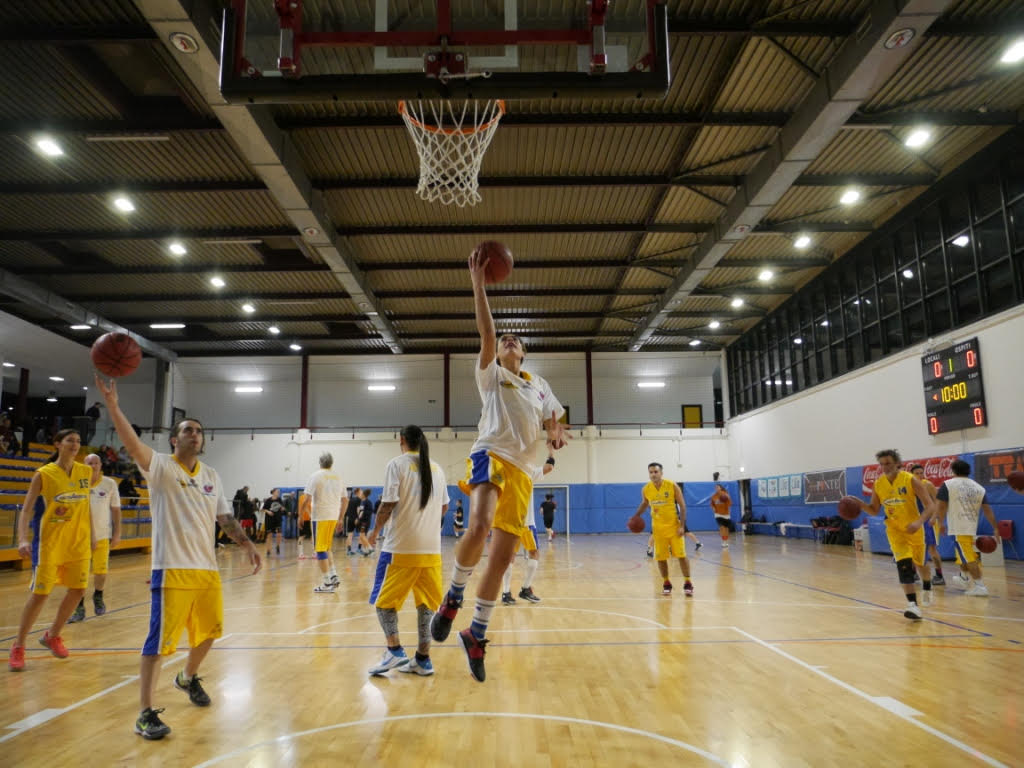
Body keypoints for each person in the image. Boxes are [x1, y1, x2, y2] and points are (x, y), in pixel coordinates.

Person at [94, 374, 260, 740]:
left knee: (210, 632)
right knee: (157, 643)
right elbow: (131, 443)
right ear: (174, 438)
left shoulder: (212, 475)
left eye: (199, 431)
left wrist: (247, 544)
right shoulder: (160, 467)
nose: (194, 434)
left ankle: (186, 677)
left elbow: (226, 519)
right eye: (187, 430)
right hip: (171, 571)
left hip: (207, 570)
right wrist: (114, 407)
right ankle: (144, 713)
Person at [430, 246, 570, 683]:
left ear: (524, 354)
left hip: (525, 471)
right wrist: (478, 284)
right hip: (490, 453)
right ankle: (453, 597)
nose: (509, 341)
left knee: (503, 558)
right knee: (479, 526)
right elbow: (487, 334)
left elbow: (558, 419)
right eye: (506, 340)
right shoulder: (492, 374)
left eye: (517, 340)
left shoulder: (539, 385)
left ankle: (477, 631)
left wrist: (557, 432)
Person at [366, 425, 449, 677]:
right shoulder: (437, 468)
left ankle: (394, 650)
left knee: (383, 603)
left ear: (401, 440)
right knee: (426, 605)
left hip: (400, 549)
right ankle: (423, 659)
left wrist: (374, 530)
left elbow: (388, 502)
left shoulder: (397, 464)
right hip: (431, 551)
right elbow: (444, 507)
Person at [8, 429, 91, 671]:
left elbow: (88, 508)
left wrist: (94, 536)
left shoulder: (86, 471)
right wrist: (23, 539)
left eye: (78, 440)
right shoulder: (44, 474)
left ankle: (53, 634)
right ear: (57, 444)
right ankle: (19, 645)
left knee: (78, 590)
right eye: (70, 440)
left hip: (79, 543)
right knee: (40, 595)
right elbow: (25, 510)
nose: (75, 444)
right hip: (50, 545)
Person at [852, 449, 935, 619]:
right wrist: (860, 504)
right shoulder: (878, 484)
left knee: (920, 565)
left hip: (914, 529)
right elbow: (874, 511)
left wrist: (919, 522)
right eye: (881, 464)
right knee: (903, 565)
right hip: (895, 531)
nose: (884, 467)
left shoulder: (910, 480)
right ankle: (912, 605)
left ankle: (927, 586)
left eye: (888, 463)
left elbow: (930, 506)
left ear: (897, 463)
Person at [68, 454, 122, 623]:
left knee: (101, 572)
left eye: (96, 462)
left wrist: (117, 533)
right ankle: (79, 607)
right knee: (78, 574)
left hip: (102, 535)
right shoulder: (76, 482)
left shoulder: (109, 483)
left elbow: (116, 510)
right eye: (89, 463)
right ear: (84, 465)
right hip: (79, 536)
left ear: (100, 464)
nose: (93, 465)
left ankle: (98, 596)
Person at [936, 459, 999, 596]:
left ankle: (980, 586)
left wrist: (940, 524)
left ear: (953, 470)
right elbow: (987, 510)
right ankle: (964, 578)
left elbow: (941, 507)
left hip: (958, 527)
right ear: (968, 471)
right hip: (970, 527)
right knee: (964, 555)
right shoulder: (979, 488)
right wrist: (995, 528)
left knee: (969, 557)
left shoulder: (948, 484)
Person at [501, 453, 554, 604]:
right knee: (534, 553)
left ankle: (506, 593)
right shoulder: (528, 473)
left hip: (509, 523)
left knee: (509, 558)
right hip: (526, 522)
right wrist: (550, 451)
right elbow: (549, 466)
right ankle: (525, 588)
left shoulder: (505, 473)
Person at [635, 463, 693, 597]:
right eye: (651, 472)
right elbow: (644, 503)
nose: (653, 474)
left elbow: (683, 506)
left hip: (674, 527)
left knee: (681, 556)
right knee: (660, 558)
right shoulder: (646, 489)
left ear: (661, 473)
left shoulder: (672, 485)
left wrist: (682, 526)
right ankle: (666, 583)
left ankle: (688, 582)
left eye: (656, 472)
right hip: (658, 529)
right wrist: (636, 516)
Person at [303, 453, 345, 593]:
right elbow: (345, 500)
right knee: (326, 547)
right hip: (333, 516)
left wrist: (299, 516)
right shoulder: (338, 477)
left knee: (320, 549)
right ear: (331, 463)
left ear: (319, 462)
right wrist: (341, 518)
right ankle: (333, 575)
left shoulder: (315, 475)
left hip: (320, 516)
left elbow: (307, 498)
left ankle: (327, 583)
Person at [910, 465, 945, 586]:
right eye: (917, 473)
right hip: (915, 520)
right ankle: (914, 573)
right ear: (912, 475)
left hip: (928, 521)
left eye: (921, 473)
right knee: (913, 548)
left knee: (931, 549)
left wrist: (936, 518)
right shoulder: (909, 486)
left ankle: (939, 575)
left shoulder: (928, 485)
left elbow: (938, 502)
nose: (920, 475)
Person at [262, 488, 284, 556]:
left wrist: (282, 509)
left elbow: (282, 507)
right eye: (277, 492)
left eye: (279, 492)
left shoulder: (279, 499)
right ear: (273, 492)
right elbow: (263, 509)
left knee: (279, 534)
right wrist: (268, 512)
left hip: (277, 519)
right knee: (269, 535)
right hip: (269, 520)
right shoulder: (268, 500)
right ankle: (268, 550)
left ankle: (277, 546)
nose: (278, 493)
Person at [710, 483, 732, 548]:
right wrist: (713, 508)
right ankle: (723, 542)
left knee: (726, 529)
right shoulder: (713, 496)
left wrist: (727, 498)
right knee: (722, 528)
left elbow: (730, 504)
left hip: (726, 514)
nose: (716, 488)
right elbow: (712, 504)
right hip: (718, 514)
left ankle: (726, 540)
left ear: (721, 488)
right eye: (715, 487)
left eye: (718, 487)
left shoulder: (725, 494)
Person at [357, 488, 375, 556]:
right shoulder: (363, 501)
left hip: (365, 521)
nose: (360, 495)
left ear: (364, 495)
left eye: (361, 494)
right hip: (363, 521)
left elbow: (365, 512)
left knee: (362, 535)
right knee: (362, 536)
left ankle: (370, 548)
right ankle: (367, 550)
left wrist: (359, 518)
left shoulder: (367, 502)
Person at [344, 488, 362, 556]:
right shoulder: (359, 500)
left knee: (350, 535)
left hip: (350, 519)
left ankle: (349, 550)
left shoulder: (350, 500)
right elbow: (358, 510)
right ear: (357, 492)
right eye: (361, 492)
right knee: (361, 534)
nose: (362, 493)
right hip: (356, 519)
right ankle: (359, 549)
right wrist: (358, 518)